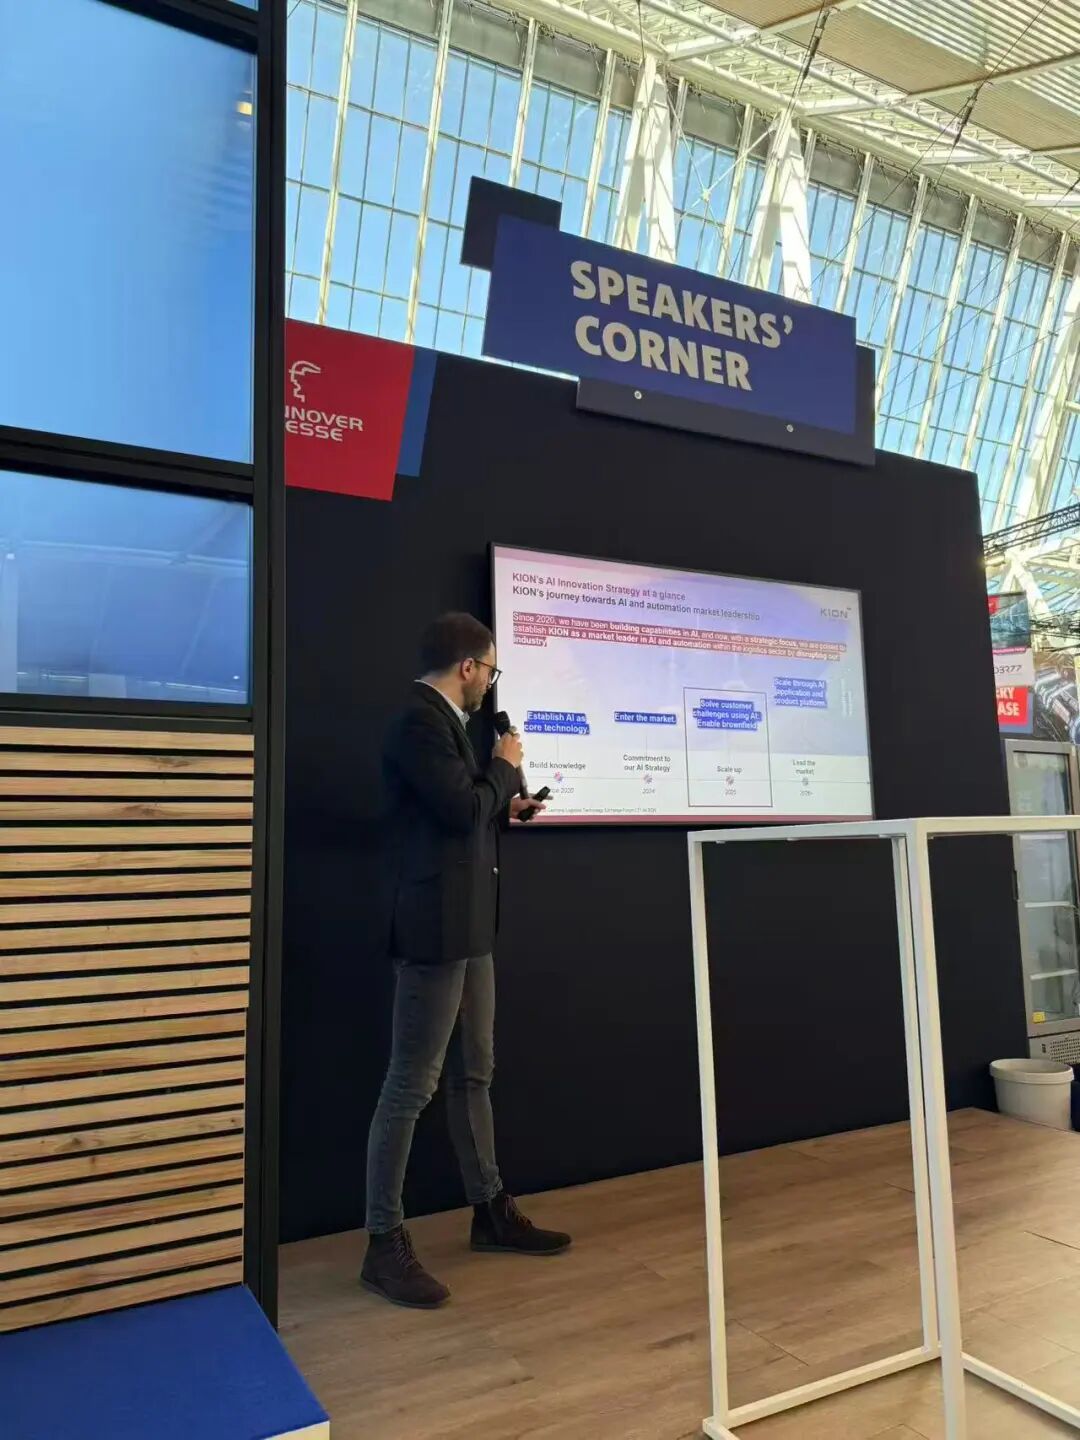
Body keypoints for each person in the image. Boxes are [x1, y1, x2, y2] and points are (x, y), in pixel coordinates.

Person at [361, 612, 572, 1309]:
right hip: (435, 931)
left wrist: (507, 807)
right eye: (491, 670)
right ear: (469, 667)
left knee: (474, 1073)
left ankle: (490, 1210)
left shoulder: (446, 723)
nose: (490, 684)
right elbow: (457, 809)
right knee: (410, 1085)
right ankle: (383, 1244)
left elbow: (464, 813)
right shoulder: (418, 721)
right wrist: (504, 768)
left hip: (471, 927)